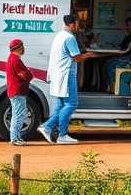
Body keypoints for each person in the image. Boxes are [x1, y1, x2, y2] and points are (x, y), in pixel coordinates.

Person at [38, 15, 92, 144]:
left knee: (61, 105)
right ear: (73, 24)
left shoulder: (59, 35)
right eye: (78, 24)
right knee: (71, 104)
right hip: (66, 74)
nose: (78, 27)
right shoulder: (69, 38)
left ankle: (60, 133)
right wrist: (89, 55)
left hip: (57, 74)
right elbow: (77, 57)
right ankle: (50, 128)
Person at [6, 39, 34, 146]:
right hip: (18, 91)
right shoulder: (15, 60)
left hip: (15, 91)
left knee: (17, 113)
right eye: (22, 46)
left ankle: (16, 137)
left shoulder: (12, 58)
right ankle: (15, 138)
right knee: (19, 114)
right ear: (18, 48)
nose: (23, 48)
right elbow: (24, 74)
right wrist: (30, 75)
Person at [104, 17, 131, 92]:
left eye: (128, 25)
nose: (127, 27)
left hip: (130, 59)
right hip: (125, 56)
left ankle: (112, 85)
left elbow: (123, 48)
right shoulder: (129, 36)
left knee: (109, 63)